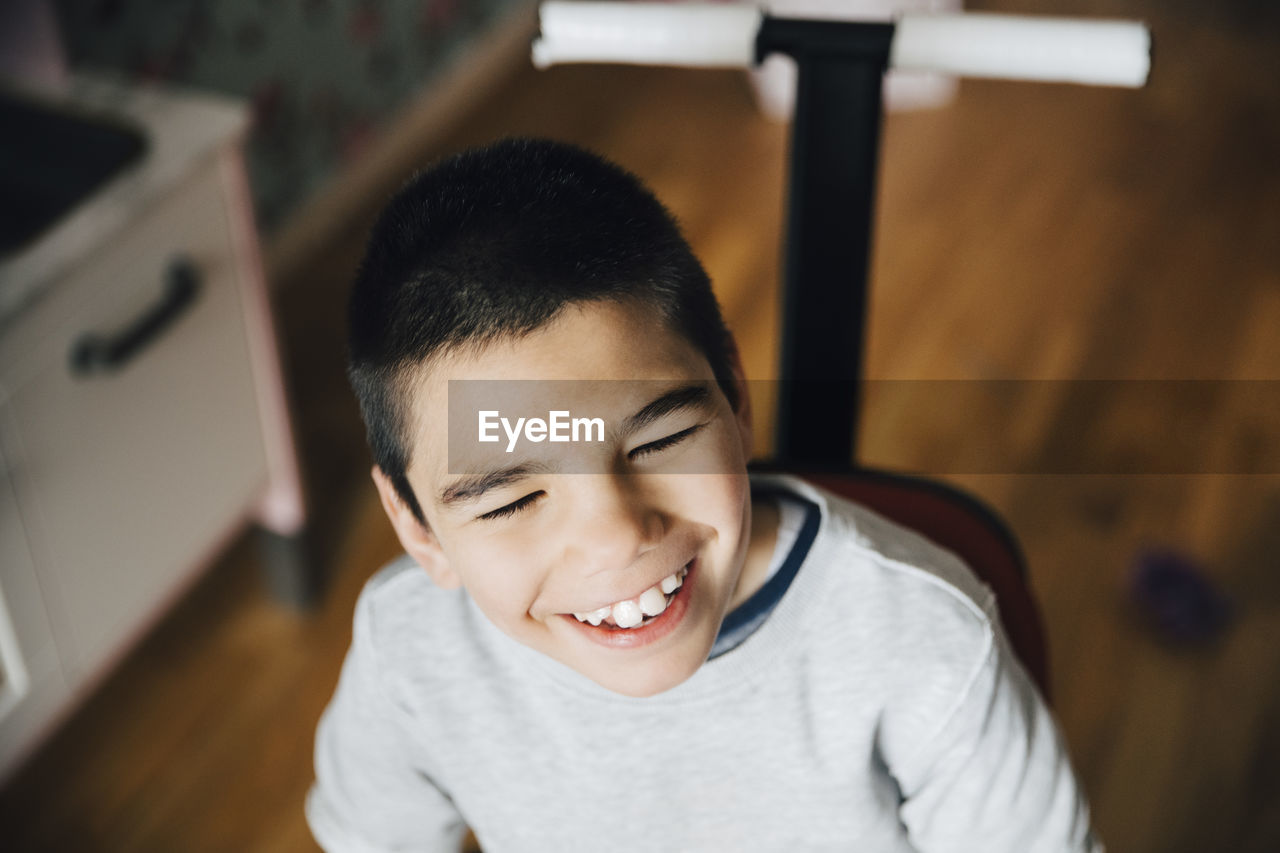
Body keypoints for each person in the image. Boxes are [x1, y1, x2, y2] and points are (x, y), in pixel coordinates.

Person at [307, 137, 1102, 852]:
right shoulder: (405, 647)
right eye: (510, 499)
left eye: (655, 441)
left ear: (733, 395)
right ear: (418, 529)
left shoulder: (924, 641)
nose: (617, 535)